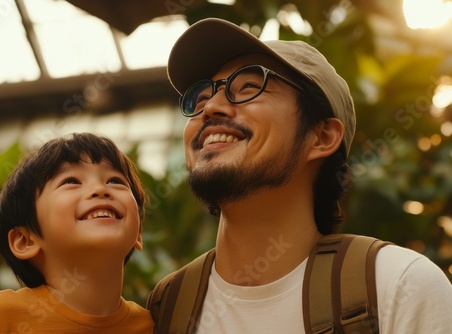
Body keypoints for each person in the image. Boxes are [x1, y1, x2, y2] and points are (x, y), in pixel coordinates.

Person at [147, 18, 452, 333]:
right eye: (199, 98)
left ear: (321, 137)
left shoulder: (398, 286)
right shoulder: (167, 307)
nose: (210, 107)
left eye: (249, 87)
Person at [0, 133, 154, 333]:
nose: (100, 189)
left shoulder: (151, 325)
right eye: (71, 181)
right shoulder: (0, 316)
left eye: (115, 181)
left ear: (138, 233)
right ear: (25, 241)